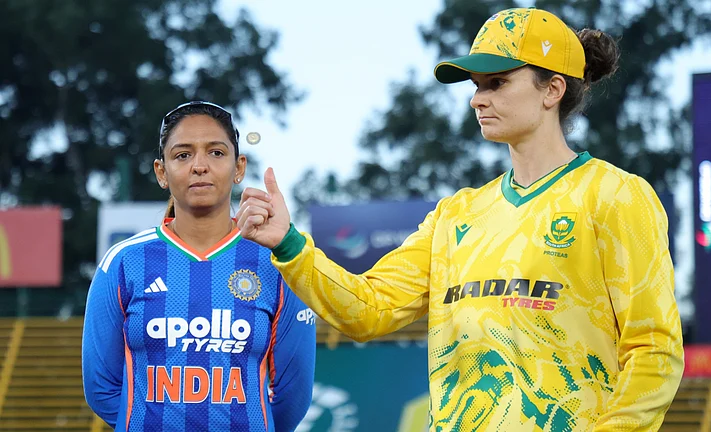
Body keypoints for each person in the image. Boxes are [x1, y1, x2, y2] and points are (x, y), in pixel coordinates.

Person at [238, 7, 684, 432]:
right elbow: (368, 310)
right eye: (476, 85)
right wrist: (289, 244)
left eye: (497, 83)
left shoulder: (616, 195)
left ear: (552, 90)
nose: (477, 99)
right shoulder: (456, 215)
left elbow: (654, 351)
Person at [82, 101, 316, 432]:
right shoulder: (123, 263)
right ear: (162, 172)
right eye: (182, 155)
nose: (200, 166)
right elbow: (101, 389)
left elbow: (293, 396)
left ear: (239, 168)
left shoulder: (277, 264)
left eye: (216, 153)